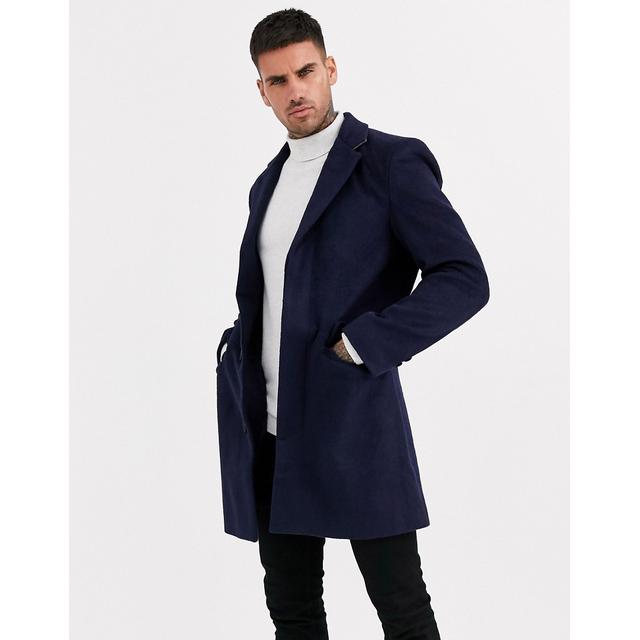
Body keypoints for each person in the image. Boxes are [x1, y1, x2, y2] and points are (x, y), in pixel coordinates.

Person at [217, 8, 490, 639]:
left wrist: (366, 343)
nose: (296, 90)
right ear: (262, 91)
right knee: (292, 609)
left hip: (353, 419)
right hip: (272, 428)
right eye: (278, 80)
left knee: (401, 606)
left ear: (330, 68)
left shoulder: (389, 163)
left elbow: (464, 277)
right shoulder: (268, 184)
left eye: (306, 71)